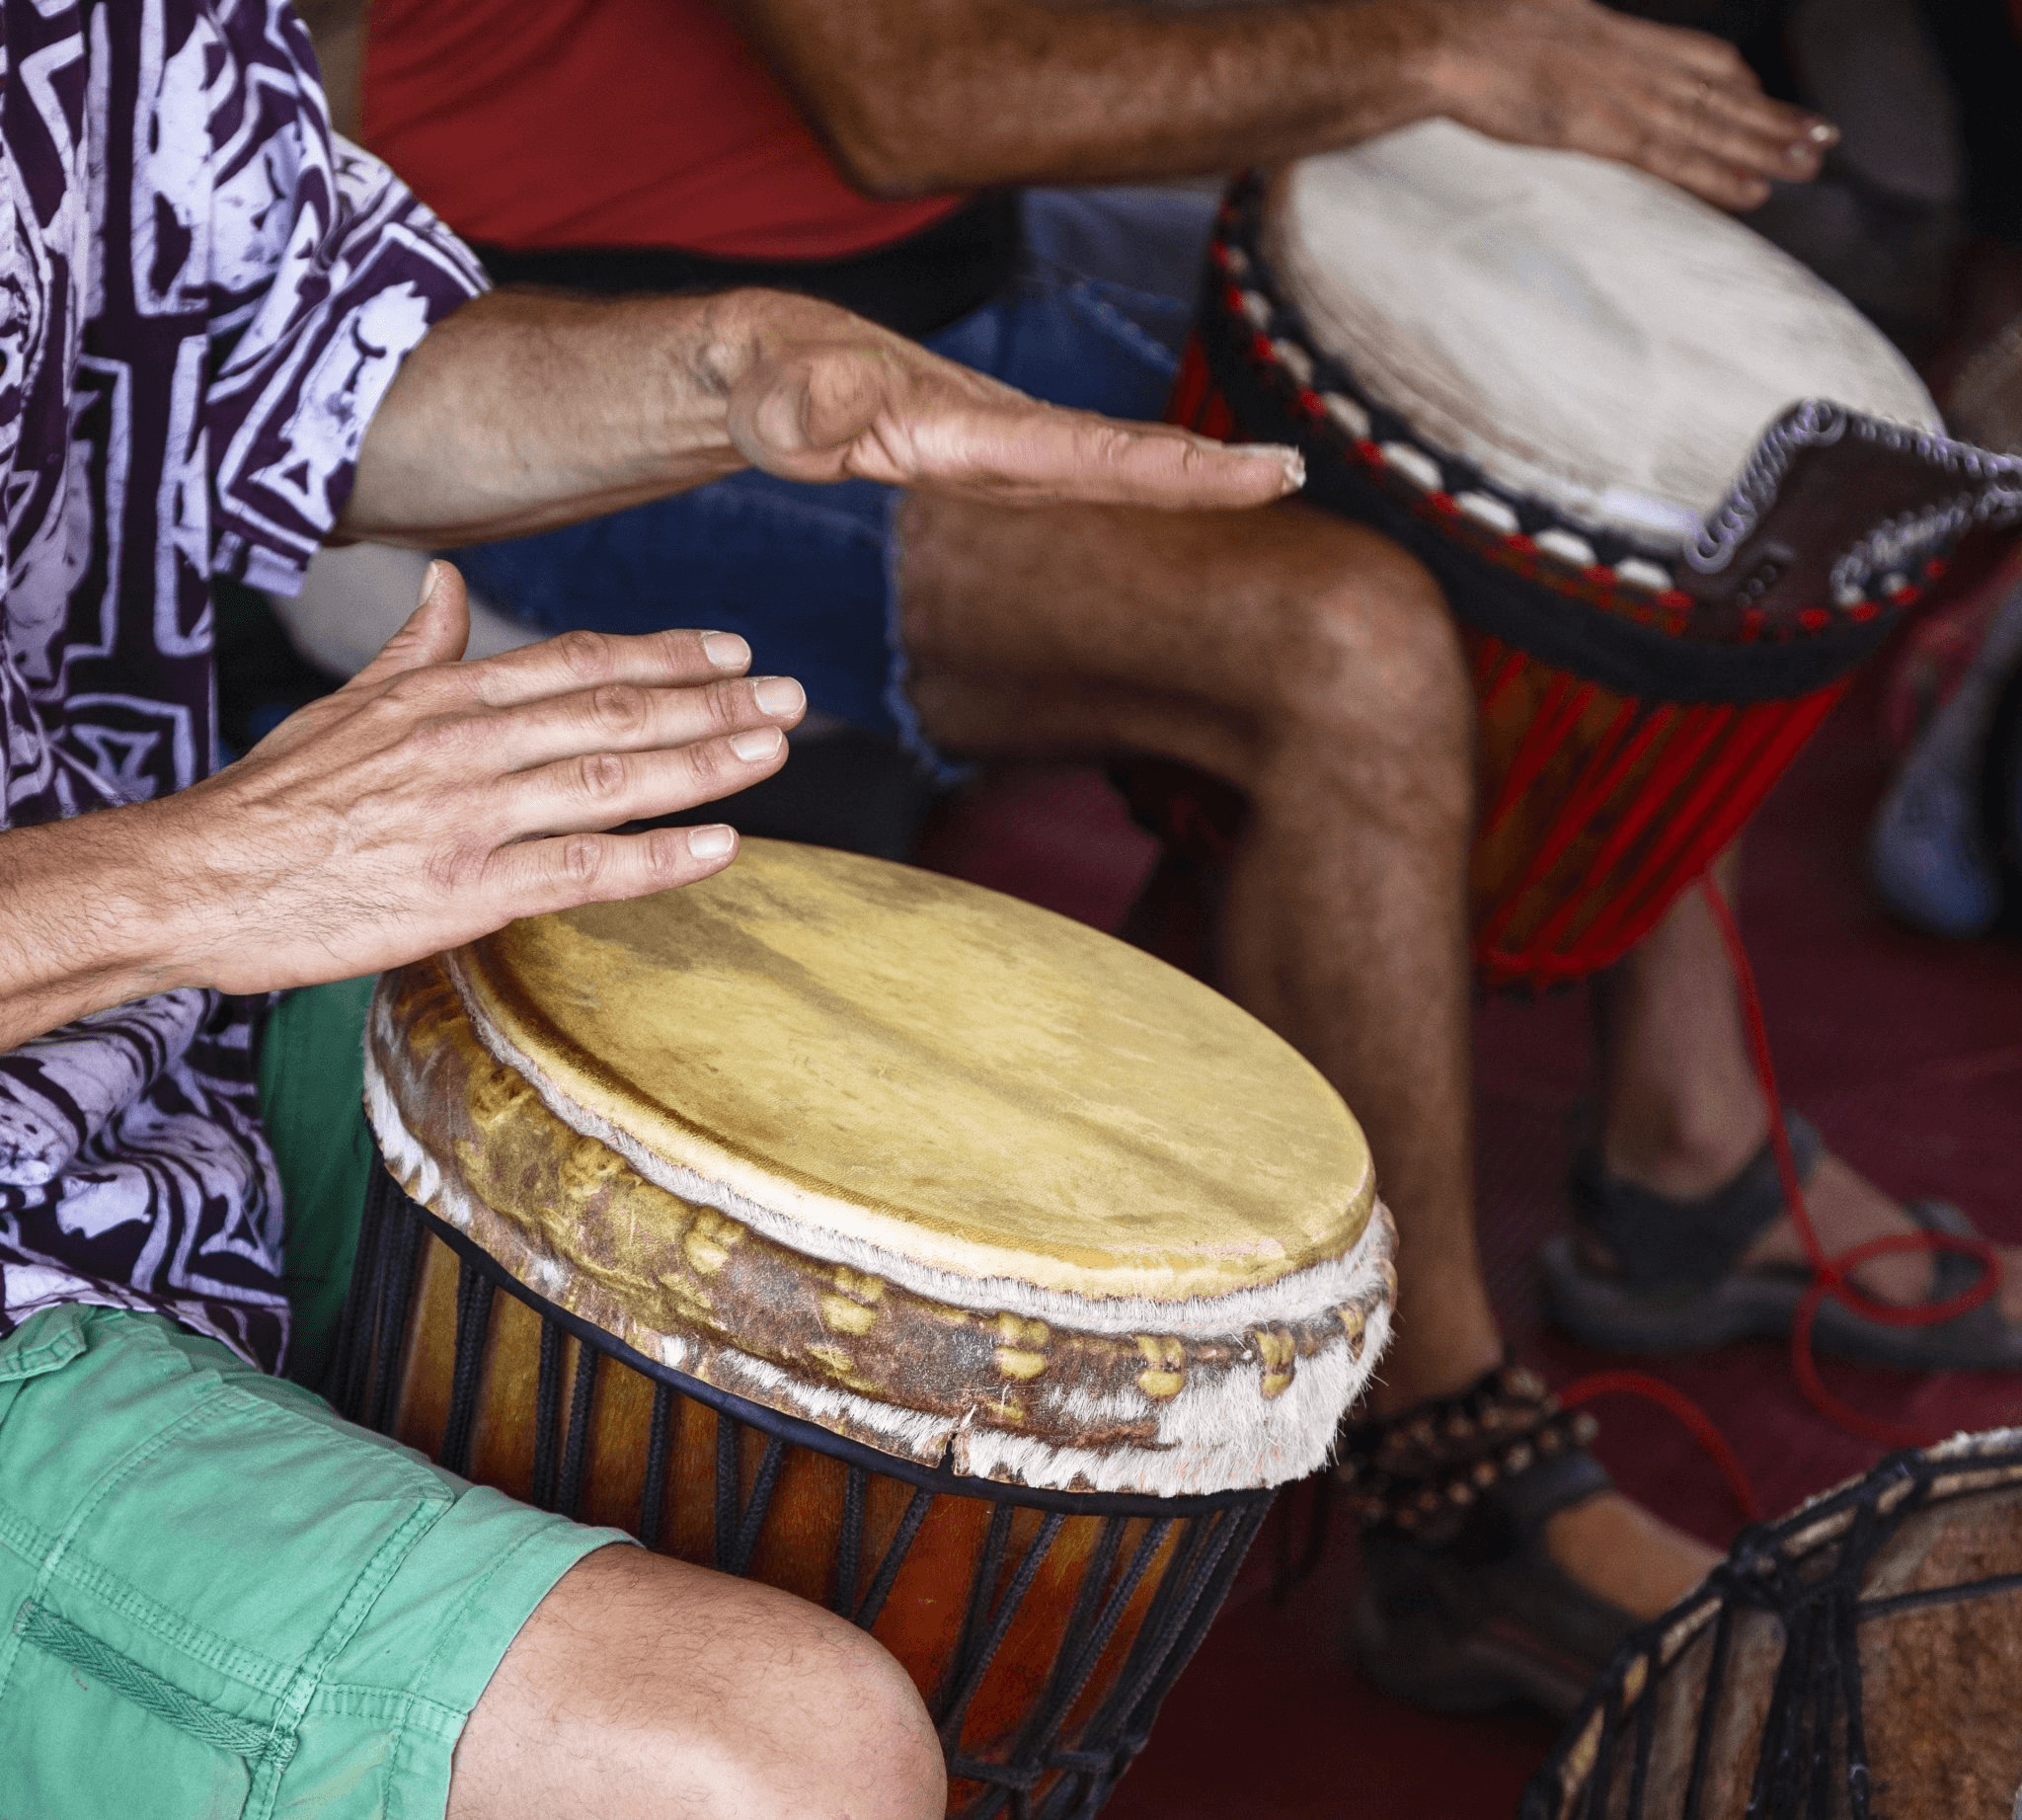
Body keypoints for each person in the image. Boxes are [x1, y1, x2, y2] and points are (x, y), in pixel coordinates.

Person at [350, 0, 2022, 1717]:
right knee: (1346, 649)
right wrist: (1448, 52)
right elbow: (912, 101)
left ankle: (1695, 1158)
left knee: (1664, 485)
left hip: (915, 283)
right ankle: (1459, 1497)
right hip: (562, 377)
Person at [0, 5, 1302, 1814]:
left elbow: (276, 354)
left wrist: (726, 373)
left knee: (873, 1156)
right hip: (106, 1027)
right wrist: (209, 873)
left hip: (132, 1047)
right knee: (775, 1764)